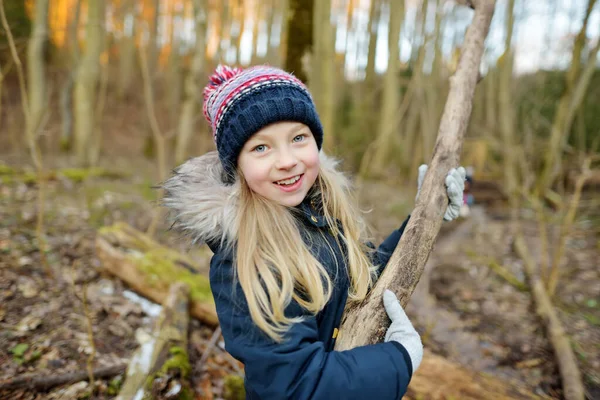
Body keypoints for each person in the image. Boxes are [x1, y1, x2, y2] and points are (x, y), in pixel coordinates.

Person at [163, 65, 465, 399]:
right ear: (238, 166)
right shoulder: (245, 261)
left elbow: (362, 280)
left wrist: (423, 219)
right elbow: (296, 387)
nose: (287, 161)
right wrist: (396, 360)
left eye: (298, 138)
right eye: (261, 148)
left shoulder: (319, 212)